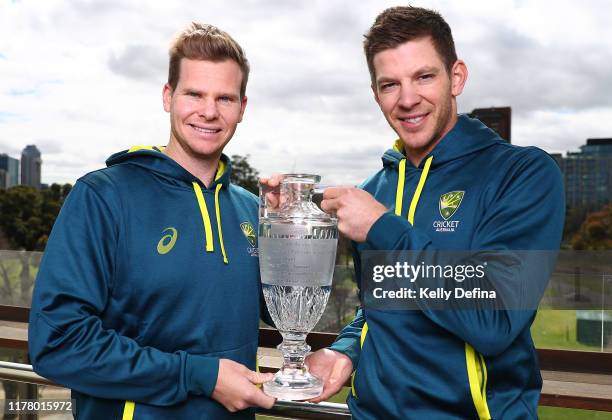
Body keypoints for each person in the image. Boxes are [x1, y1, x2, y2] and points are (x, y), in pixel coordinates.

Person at [306, 6, 564, 419]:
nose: (407, 99)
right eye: (390, 84)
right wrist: (346, 349)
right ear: (376, 94)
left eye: (424, 76)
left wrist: (384, 229)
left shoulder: (522, 173)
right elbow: (381, 306)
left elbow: (494, 322)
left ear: (456, 77)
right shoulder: (376, 190)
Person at [28, 23, 276, 419]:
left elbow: (280, 310)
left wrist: (282, 232)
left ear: (242, 107)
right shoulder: (103, 196)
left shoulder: (251, 208)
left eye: (225, 98)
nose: (209, 111)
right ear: (168, 96)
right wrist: (199, 375)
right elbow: (58, 343)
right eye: (194, 93)